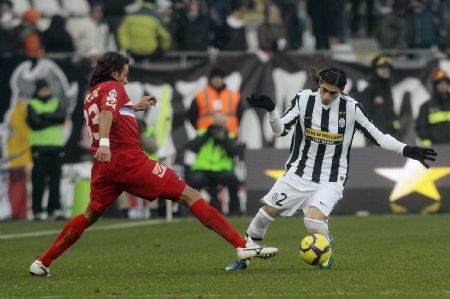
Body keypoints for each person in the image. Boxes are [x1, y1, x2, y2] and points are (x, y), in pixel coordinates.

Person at [29, 52, 278, 276]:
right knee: (190, 195)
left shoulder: (91, 94)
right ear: (115, 73)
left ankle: (43, 262)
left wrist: (136, 106)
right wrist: (105, 142)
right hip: (127, 160)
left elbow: (112, 112)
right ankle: (242, 246)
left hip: (104, 167)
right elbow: (107, 114)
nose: (126, 81)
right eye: (125, 75)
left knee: (90, 215)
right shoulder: (114, 86)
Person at [225, 67, 437, 271]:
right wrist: (272, 111)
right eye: (324, 90)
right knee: (263, 215)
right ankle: (245, 258)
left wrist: (407, 150)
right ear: (319, 84)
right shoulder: (303, 99)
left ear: (342, 91)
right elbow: (280, 131)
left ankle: (327, 248)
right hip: (298, 173)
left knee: (312, 222)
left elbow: (378, 136)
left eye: (333, 93)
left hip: (331, 178)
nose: (326, 96)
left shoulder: (351, 108)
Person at [186, 113, 242, 215]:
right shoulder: (204, 134)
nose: (218, 129)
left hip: (221, 171)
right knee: (193, 181)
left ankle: (235, 210)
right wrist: (207, 134)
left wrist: (224, 139)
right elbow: (192, 147)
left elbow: (234, 152)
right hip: (203, 170)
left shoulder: (229, 136)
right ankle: (190, 210)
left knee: (233, 180)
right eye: (217, 126)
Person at [26, 80, 66, 221]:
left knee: (55, 181)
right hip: (39, 148)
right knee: (39, 181)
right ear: (37, 90)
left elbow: (61, 117)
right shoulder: (32, 104)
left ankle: (53, 209)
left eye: (46, 89)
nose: (45, 92)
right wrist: (52, 118)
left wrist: (43, 116)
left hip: (55, 146)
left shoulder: (55, 102)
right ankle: (37, 211)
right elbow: (35, 123)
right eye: (42, 89)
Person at [188, 67, 244, 137]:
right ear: (211, 79)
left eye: (219, 78)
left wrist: (233, 126)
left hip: (229, 135)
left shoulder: (234, 96)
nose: (217, 80)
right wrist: (200, 128)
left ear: (223, 79)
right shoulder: (200, 96)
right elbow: (192, 115)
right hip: (206, 136)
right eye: (215, 78)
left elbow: (240, 114)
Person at [360, 55, 400, 138]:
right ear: (375, 70)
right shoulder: (369, 90)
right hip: (375, 137)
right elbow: (364, 115)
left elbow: (391, 112)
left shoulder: (388, 88)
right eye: (382, 67)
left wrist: (396, 129)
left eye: (388, 67)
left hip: (391, 136)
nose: (386, 70)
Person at [416, 68, 450, 146]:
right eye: (440, 83)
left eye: (446, 83)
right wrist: (426, 142)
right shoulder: (426, 106)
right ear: (435, 85)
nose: (443, 86)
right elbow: (421, 127)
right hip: (435, 148)